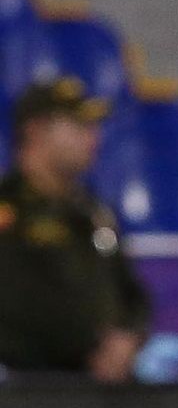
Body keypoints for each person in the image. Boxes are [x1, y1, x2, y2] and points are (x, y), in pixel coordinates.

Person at [0, 79, 148, 383]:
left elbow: (132, 294)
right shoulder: (10, 210)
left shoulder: (93, 211)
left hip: (100, 389)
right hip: (26, 387)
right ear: (36, 130)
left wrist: (127, 339)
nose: (93, 137)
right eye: (80, 125)